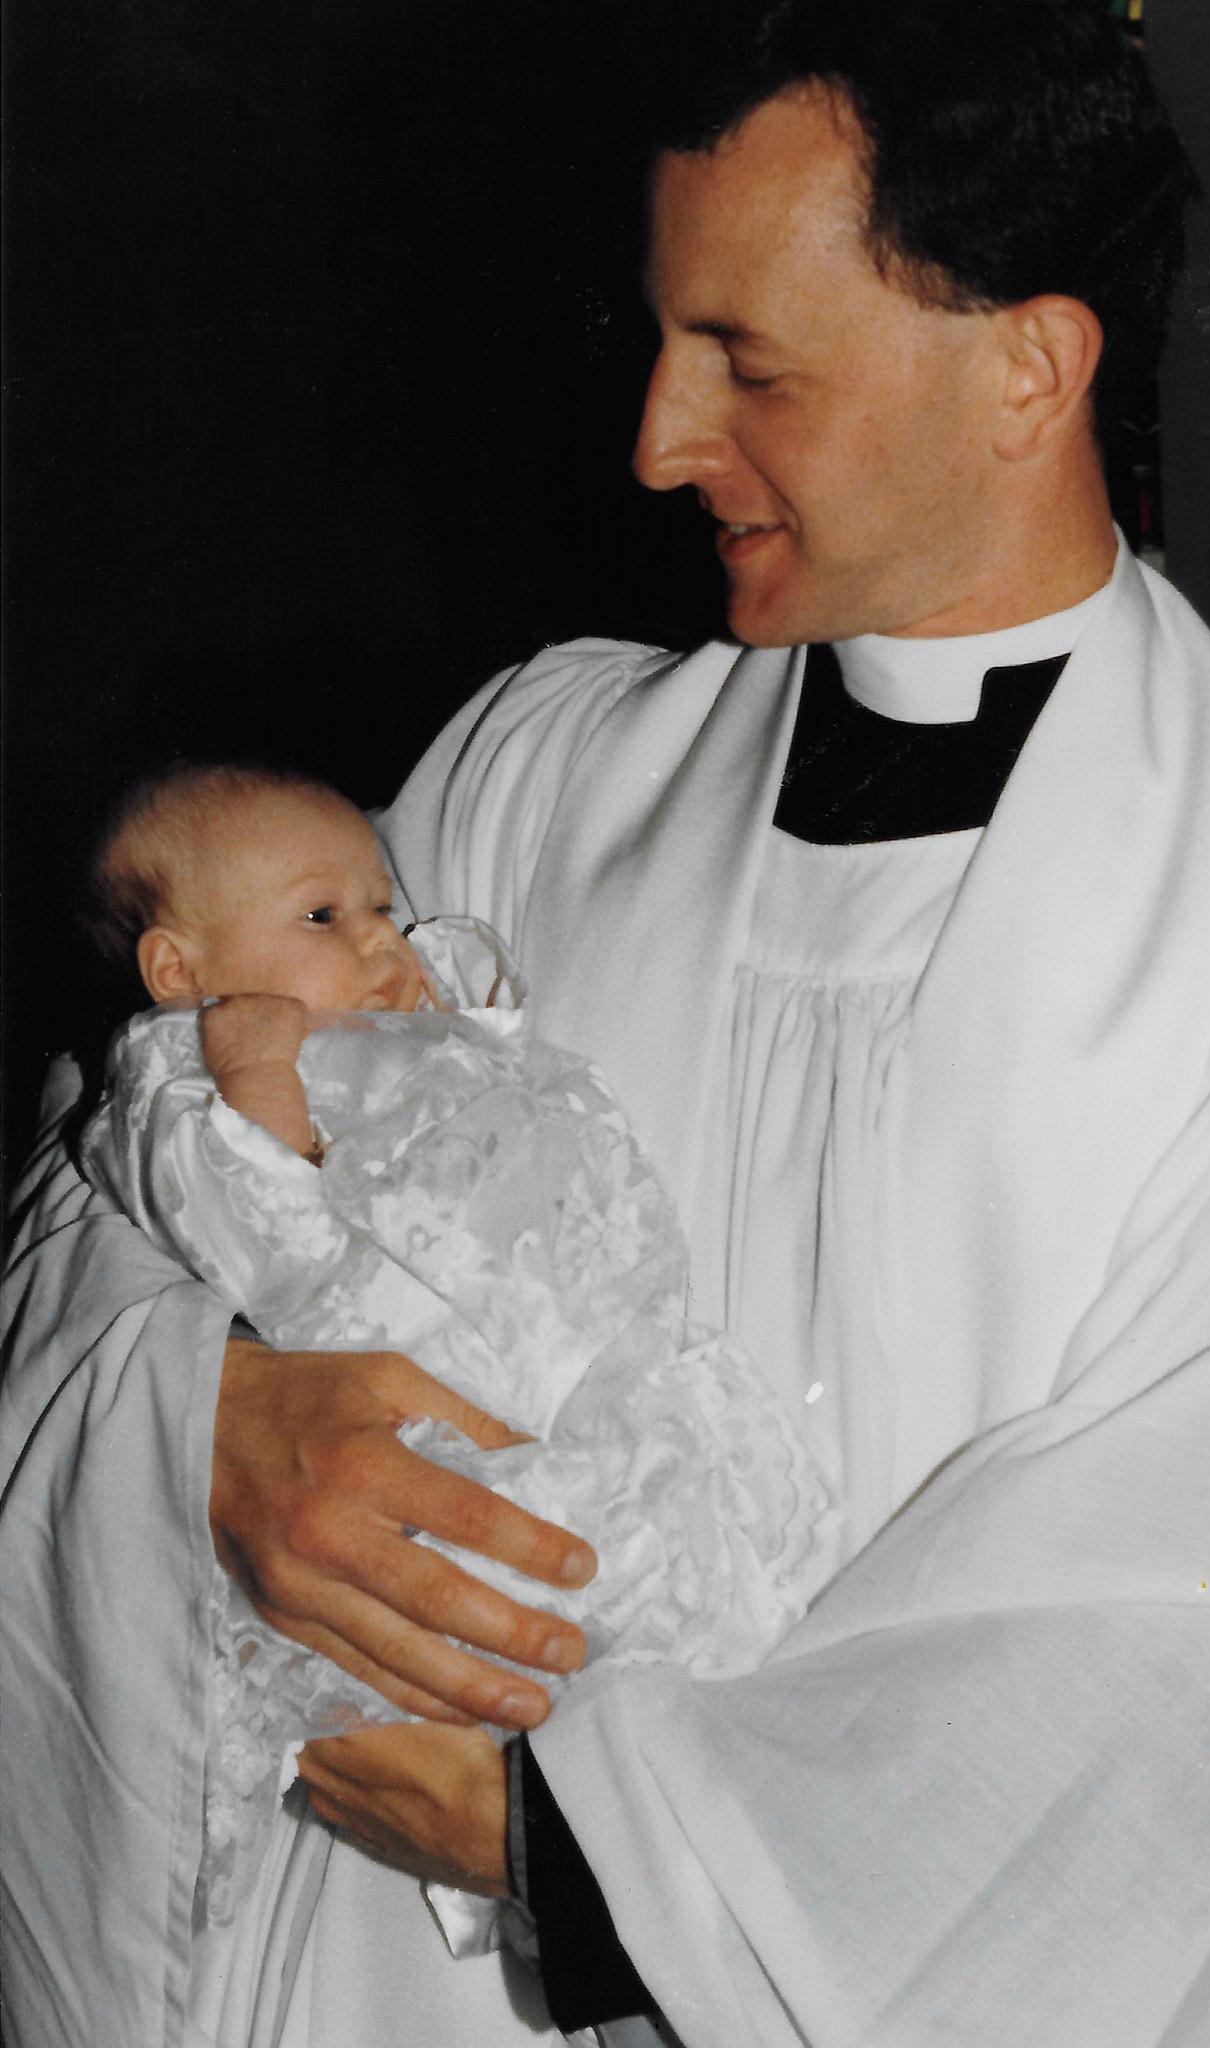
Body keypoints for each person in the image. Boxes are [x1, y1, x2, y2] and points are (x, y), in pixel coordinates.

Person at [3, 3, 1210, 2045]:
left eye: (750, 363)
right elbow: (116, 1165)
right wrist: (192, 1422)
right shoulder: (534, 785)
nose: (653, 436)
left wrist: (595, 1853)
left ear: (1028, 369)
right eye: (660, 336)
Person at [66, 760, 834, 2036]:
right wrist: (260, 1104)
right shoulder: (185, 1076)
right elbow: (238, 1233)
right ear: (174, 969)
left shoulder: (365, 1023)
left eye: (383, 906)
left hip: (572, 1367)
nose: (381, 940)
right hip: (424, 1437)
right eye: (327, 918)